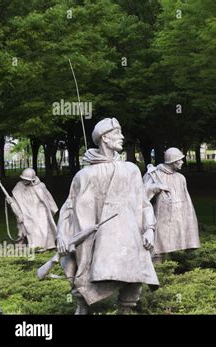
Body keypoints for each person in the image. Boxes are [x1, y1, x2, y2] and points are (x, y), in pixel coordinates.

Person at [56, 118, 159, 314]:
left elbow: (143, 203)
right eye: (117, 133)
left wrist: (150, 229)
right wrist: (62, 234)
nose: (122, 137)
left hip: (130, 238)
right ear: (105, 137)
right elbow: (69, 207)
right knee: (85, 283)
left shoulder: (131, 170)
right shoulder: (85, 175)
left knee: (133, 281)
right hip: (97, 241)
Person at [143, 147, 200, 258]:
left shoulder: (180, 178)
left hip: (178, 218)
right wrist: (155, 187)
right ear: (173, 160)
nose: (182, 162)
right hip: (161, 218)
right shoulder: (154, 174)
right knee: (159, 250)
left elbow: (186, 202)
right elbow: (141, 196)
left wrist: (189, 222)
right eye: (180, 159)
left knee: (177, 245)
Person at [6, 168, 57, 250]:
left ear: (32, 180)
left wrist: (49, 209)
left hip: (40, 210)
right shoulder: (19, 185)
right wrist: (11, 201)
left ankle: (44, 245)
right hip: (25, 211)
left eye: (26, 179)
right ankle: (22, 241)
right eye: (23, 179)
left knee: (42, 226)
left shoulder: (40, 186)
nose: (24, 181)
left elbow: (48, 200)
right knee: (23, 223)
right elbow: (15, 198)